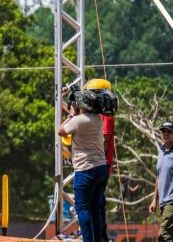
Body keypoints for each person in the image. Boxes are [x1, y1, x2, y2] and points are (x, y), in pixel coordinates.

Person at [58, 86, 109, 242]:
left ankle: (87, 240)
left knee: (83, 209)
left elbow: (61, 131)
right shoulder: (97, 120)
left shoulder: (78, 120)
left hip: (86, 170)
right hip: (101, 168)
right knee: (95, 209)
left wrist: (71, 114)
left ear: (82, 105)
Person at [84, 78, 117, 242]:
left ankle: (99, 234)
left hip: (99, 163)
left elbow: (103, 141)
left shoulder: (105, 115)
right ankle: (99, 233)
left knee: (94, 202)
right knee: (97, 201)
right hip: (101, 164)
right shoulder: (103, 112)